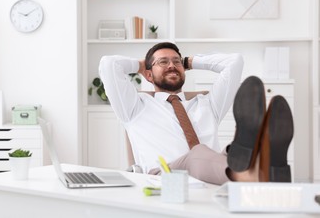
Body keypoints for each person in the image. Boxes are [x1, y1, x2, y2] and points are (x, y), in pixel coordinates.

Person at [99, 42, 293, 185]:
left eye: (176, 62)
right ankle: (250, 174)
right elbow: (109, 65)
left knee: (230, 152)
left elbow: (234, 62)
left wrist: (188, 61)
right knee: (196, 154)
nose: (172, 65)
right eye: (163, 62)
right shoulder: (135, 107)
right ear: (149, 75)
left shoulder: (207, 104)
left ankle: (255, 160)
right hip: (163, 179)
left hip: (212, 175)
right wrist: (142, 65)